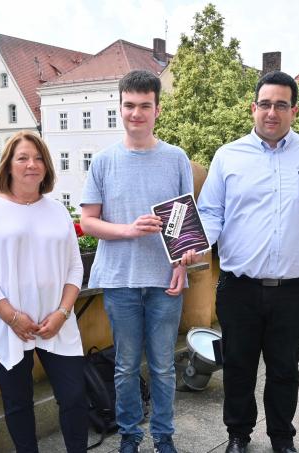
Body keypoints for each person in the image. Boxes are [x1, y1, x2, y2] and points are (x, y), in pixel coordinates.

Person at [195, 70, 299, 453]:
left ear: (293, 110)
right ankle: (238, 435)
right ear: (253, 108)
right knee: (239, 368)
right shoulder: (228, 156)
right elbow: (211, 212)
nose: (271, 112)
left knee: (284, 370)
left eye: (280, 105)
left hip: (293, 289)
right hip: (238, 287)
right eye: (265, 104)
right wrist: (194, 245)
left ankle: (282, 439)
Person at [79, 69, 193, 453]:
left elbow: (184, 225)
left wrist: (181, 265)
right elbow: (87, 221)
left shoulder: (176, 159)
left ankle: (163, 437)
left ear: (157, 109)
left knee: (163, 366)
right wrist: (129, 230)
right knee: (126, 366)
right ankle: (130, 435)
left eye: (145, 106)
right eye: (129, 105)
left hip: (165, 280)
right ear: (120, 107)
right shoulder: (103, 160)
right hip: (120, 279)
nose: (136, 113)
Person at [0, 131, 88, 453]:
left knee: (74, 397)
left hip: (57, 322)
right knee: (18, 403)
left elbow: (75, 267)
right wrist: (11, 316)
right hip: (9, 326)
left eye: (38, 158)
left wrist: (62, 313)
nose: (32, 165)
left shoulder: (57, 209)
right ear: (8, 165)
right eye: (23, 158)